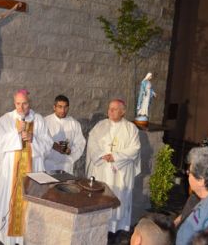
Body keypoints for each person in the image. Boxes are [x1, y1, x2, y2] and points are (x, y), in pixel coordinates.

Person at [0, 89, 53, 244]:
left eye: (24, 103)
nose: (21, 107)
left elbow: (48, 144)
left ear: (29, 103)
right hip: (11, 171)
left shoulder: (38, 120)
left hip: (33, 169)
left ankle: (28, 236)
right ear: (14, 103)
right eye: (18, 104)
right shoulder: (5, 119)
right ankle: (8, 237)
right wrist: (16, 133)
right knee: (9, 202)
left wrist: (33, 139)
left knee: (31, 203)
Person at [86, 99, 141, 234]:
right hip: (102, 169)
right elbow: (92, 142)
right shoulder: (100, 126)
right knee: (100, 198)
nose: (110, 111)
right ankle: (99, 228)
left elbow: (135, 148)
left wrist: (115, 157)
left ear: (123, 112)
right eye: (110, 108)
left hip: (120, 171)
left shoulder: (131, 128)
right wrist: (101, 155)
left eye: (115, 109)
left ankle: (116, 231)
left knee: (119, 197)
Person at [44, 95, 86, 174]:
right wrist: (52, 145)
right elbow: (40, 141)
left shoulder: (74, 124)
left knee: (65, 186)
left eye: (65, 107)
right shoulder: (45, 122)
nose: (63, 110)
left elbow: (80, 143)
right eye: (60, 107)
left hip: (66, 166)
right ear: (54, 107)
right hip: (48, 164)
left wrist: (71, 151)